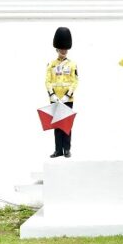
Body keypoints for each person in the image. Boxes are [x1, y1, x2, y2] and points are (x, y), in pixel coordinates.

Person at [46, 27, 78, 158]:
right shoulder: (51, 64)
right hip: (55, 99)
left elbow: (75, 81)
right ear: (57, 49)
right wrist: (52, 95)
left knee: (66, 125)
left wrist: (67, 95)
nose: (63, 51)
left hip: (67, 99)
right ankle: (58, 150)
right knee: (57, 125)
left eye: (65, 49)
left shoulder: (72, 64)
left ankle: (67, 149)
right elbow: (47, 81)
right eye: (61, 49)